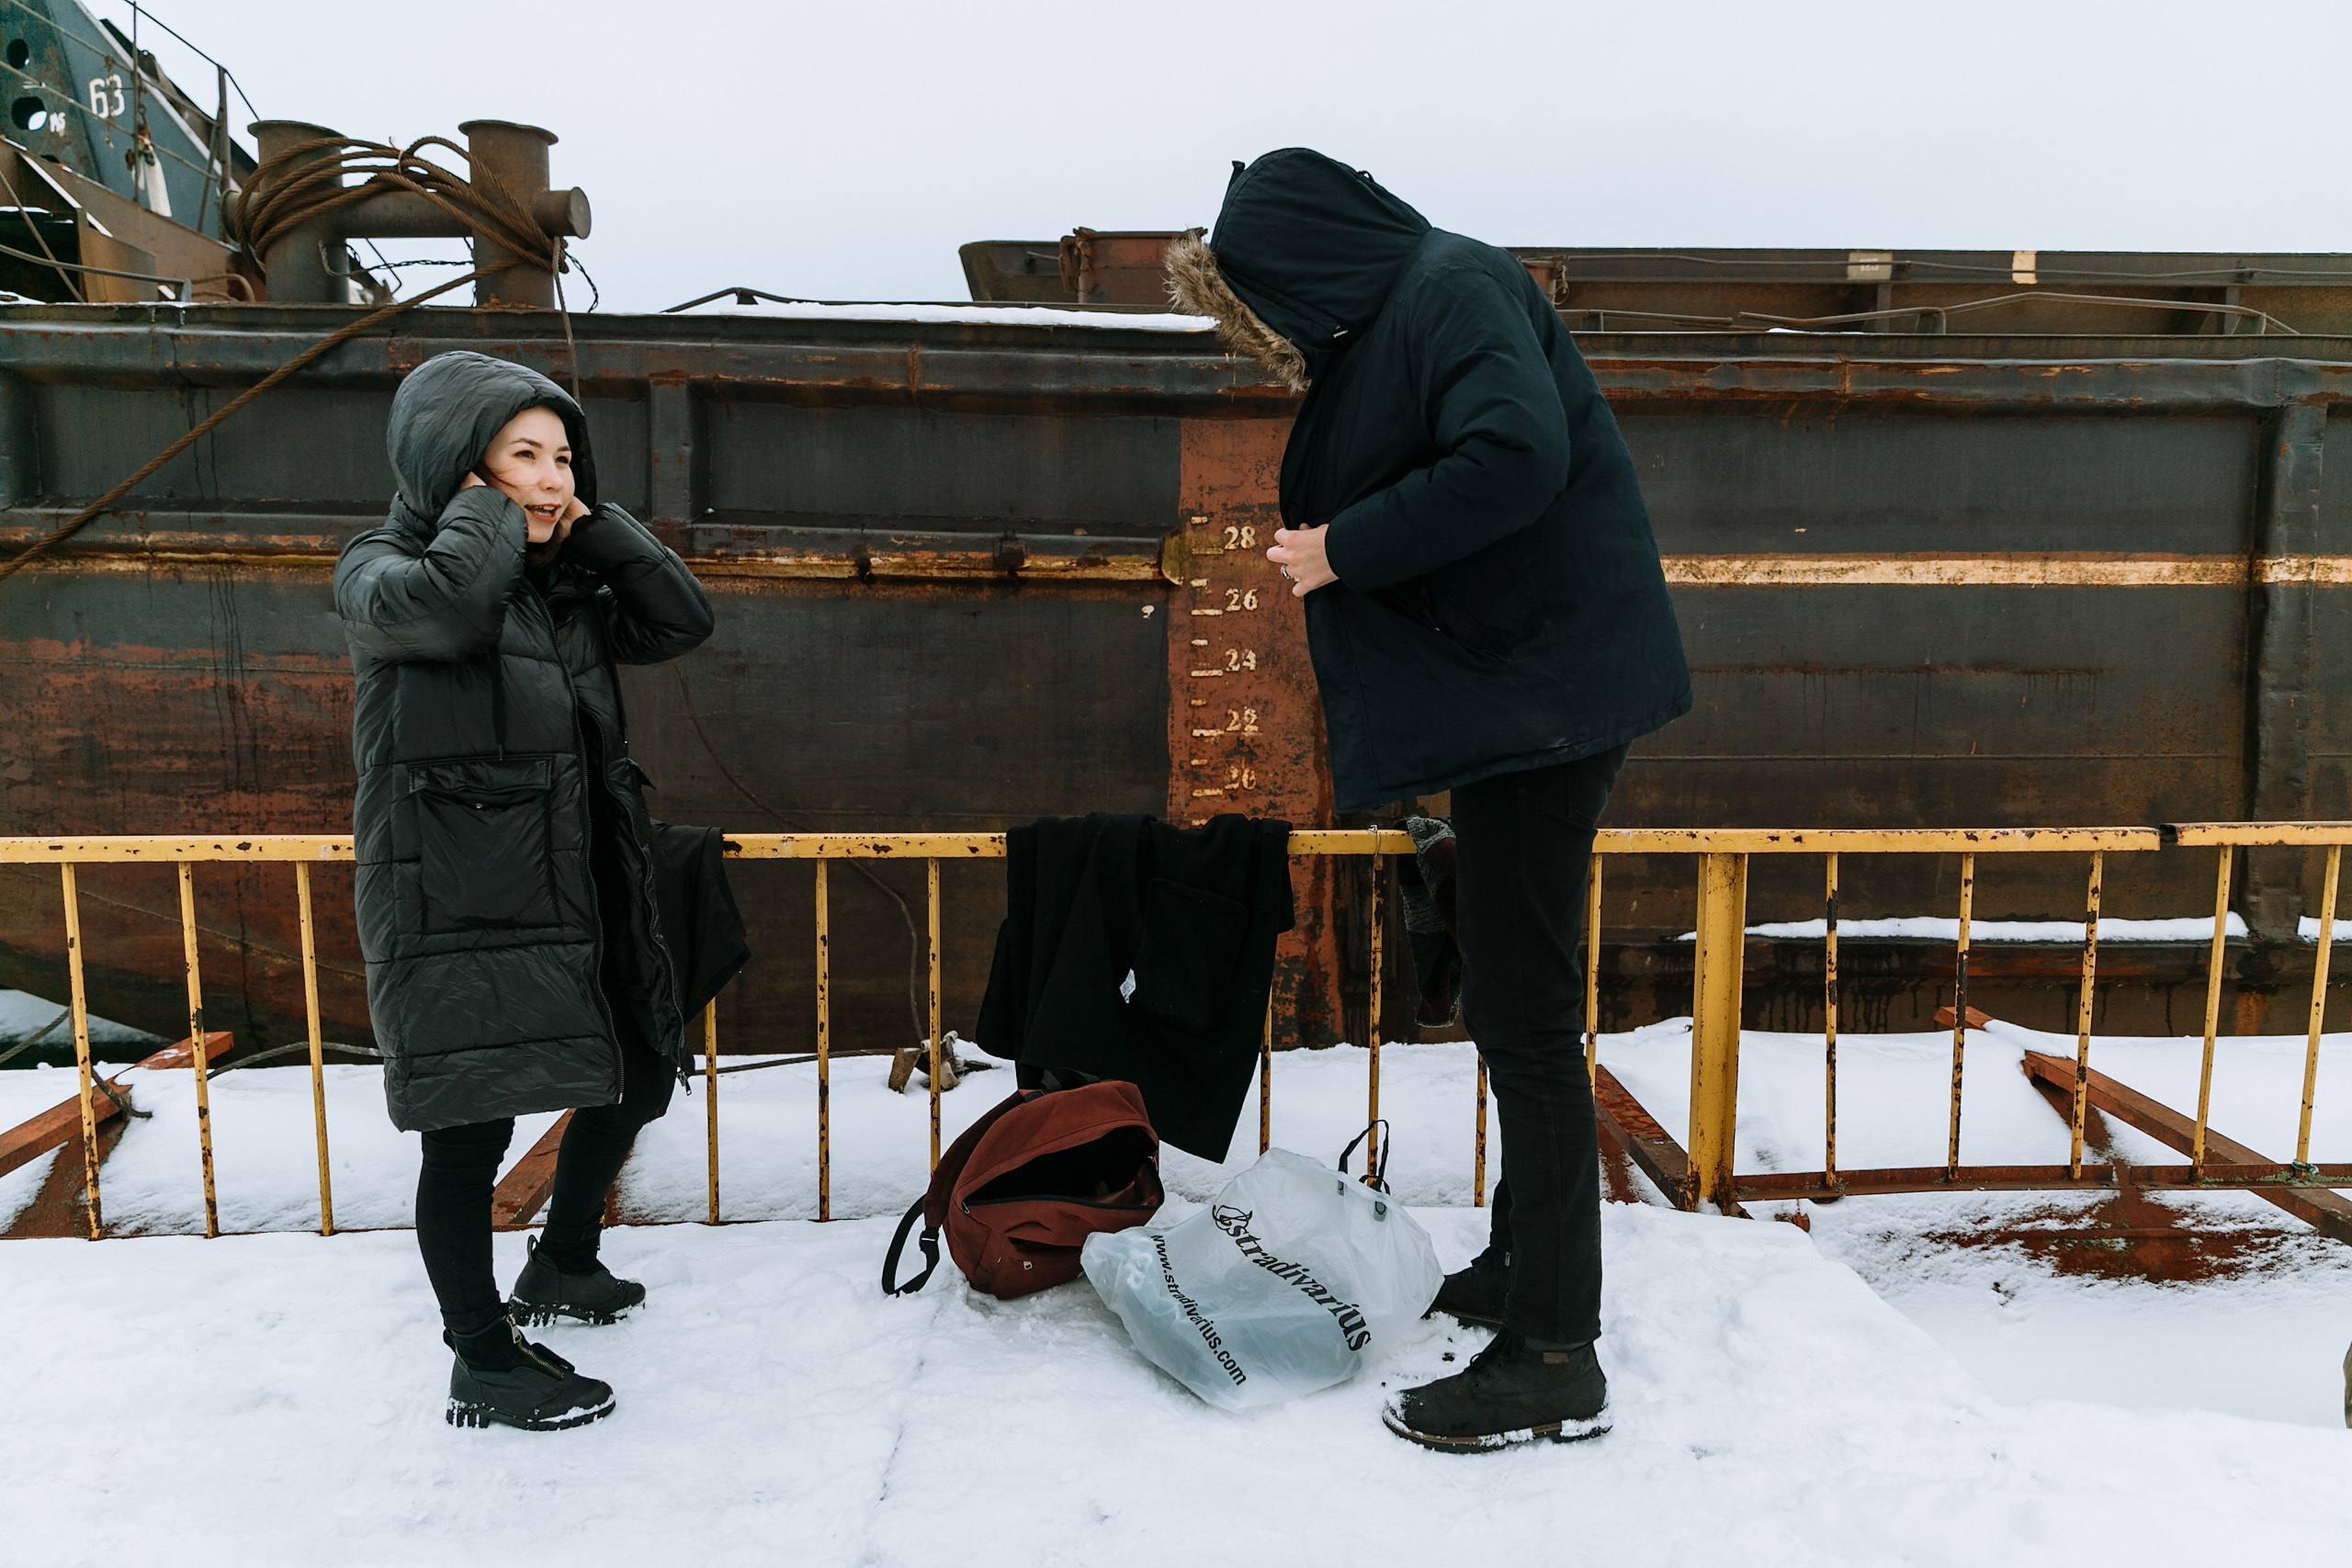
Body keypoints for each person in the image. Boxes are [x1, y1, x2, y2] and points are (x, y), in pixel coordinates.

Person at [1168, 150, 1690, 1451]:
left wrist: (1341, 546)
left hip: (1542, 707)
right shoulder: (1430, 289)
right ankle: (1522, 1270)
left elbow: (1514, 452)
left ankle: (1556, 1353)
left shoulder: (1451, 287)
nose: (1278, 332)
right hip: (1525, 699)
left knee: (1525, 1016)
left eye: (1267, 307)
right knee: (1519, 1003)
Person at [334, 351, 714, 1432]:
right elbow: (449, 615)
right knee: (467, 1132)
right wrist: (481, 518)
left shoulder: (566, 590)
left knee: (633, 1077)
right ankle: (481, 1357)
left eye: (561, 459)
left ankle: (563, 1266)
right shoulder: (379, 567)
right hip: (455, 898)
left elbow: (682, 621)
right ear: (457, 466)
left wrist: (596, 530)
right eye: (521, 458)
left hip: (581, 878)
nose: (549, 481)